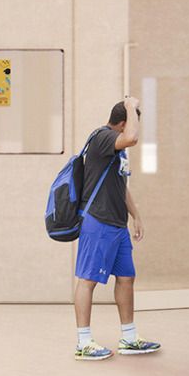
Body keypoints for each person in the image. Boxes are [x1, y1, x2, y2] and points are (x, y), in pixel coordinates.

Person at [71, 96, 160, 360]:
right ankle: (83, 342)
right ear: (122, 122)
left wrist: (136, 215)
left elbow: (121, 187)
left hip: (117, 225)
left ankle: (129, 338)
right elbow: (132, 137)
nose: (134, 128)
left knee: (126, 277)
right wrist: (132, 106)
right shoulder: (102, 138)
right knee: (88, 280)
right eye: (131, 121)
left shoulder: (116, 150)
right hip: (98, 222)